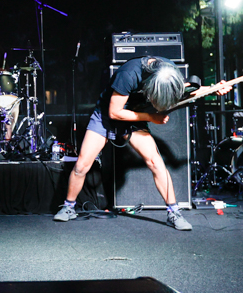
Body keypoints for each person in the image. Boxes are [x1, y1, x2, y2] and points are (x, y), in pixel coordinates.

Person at [53, 56, 230, 230]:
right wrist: (151, 117)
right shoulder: (128, 75)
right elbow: (115, 112)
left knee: (155, 162)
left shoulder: (168, 71)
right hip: (107, 116)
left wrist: (212, 89)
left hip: (134, 115)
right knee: (82, 165)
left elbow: (183, 90)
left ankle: (174, 212)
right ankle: (68, 207)